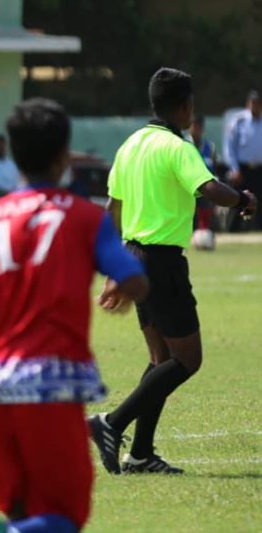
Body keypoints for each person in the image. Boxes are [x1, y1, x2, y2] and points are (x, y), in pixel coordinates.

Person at [0, 98, 149, 533]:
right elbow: (135, 280)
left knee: (24, 511)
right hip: (52, 386)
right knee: (63, 518)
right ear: (64, 157)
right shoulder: (84, 217)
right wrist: (123, 283)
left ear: (13, 155)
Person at [92, 68, 257, 474]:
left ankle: (141, 454)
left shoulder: (130, 147)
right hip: (161, 262)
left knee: (160, 357)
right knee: (188, 359)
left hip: (133, 258)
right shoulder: (178, 146)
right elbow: (209, 188)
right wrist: (244, 200)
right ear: (186, 107)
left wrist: (115, 269)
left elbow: (111, 213)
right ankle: (109, 424)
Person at [223, 90, 262, 231]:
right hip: (242, 168)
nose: (255, 106)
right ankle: (237, 229)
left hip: (259, 169)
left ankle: (255, 229)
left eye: (258, 103)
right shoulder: (239, 121)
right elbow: (230, 147)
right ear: (248, 104)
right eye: (253, 103)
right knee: (240, 199)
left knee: (258, 200)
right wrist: (234, 169)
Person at [188, 115, 217, 231]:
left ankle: (205, 234)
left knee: (205, 213)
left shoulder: (210, 147)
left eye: (199, 125)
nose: (196, 128)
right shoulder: (183, 144)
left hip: (206, 188)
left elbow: (214, 166)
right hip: (189, 187)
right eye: (193, 125)